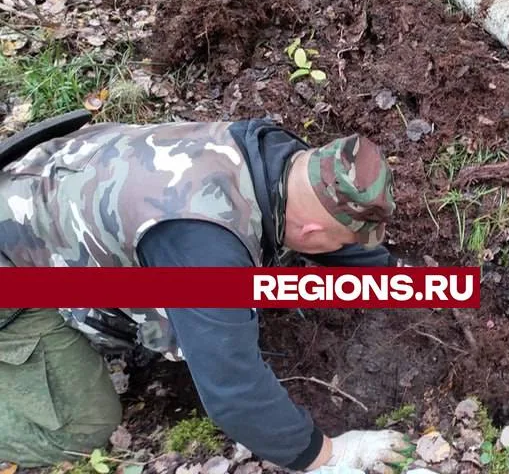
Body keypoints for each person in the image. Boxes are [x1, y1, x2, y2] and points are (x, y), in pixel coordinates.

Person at [0, 116, 410, 470]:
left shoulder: (282, 159)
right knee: (85, 427)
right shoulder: (205, 249)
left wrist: (403, 282)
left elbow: (333, 237)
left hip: (46, 191)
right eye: (338, 244)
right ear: (313, 233)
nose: (342, 252)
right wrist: (326, 455)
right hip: (15, 276)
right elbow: (233, 390)